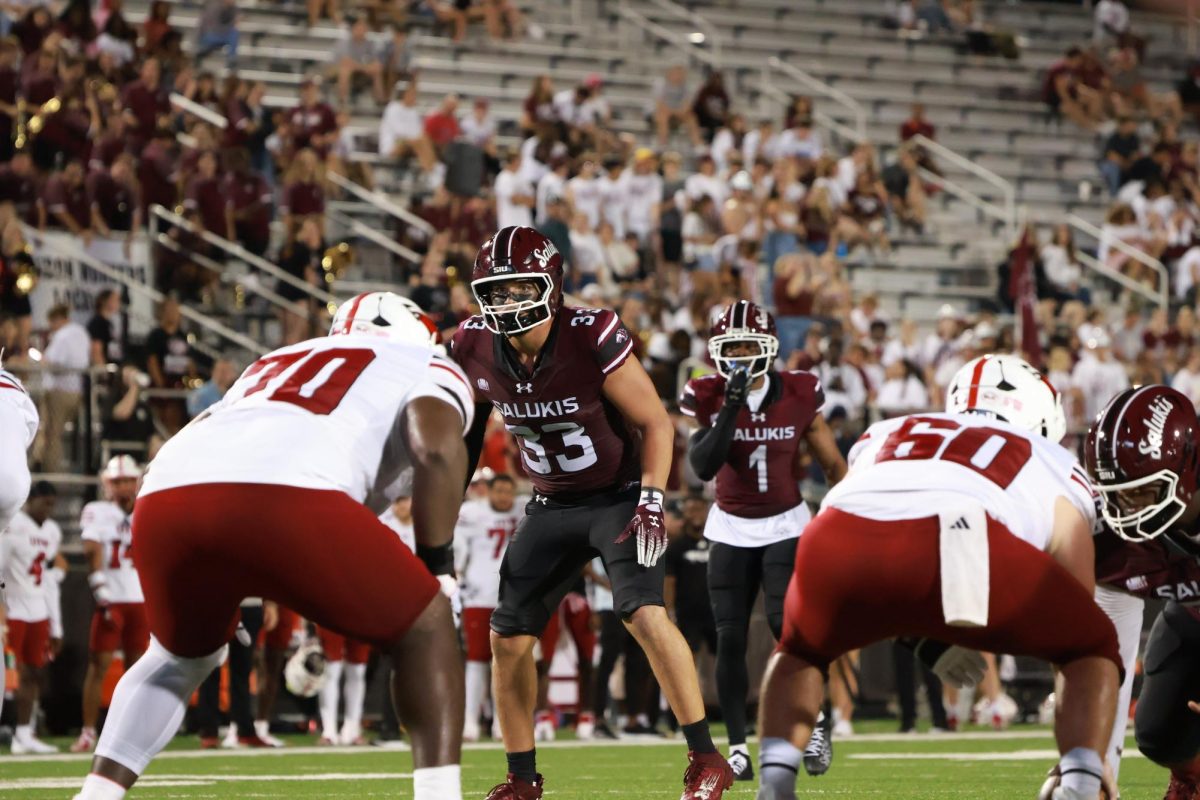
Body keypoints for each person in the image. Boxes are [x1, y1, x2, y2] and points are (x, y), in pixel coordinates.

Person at [73, 292, 472, 800]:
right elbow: (436, 448)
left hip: (166, 495)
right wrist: (438, 569)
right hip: (285, 494)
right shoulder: (427, 361)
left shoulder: (276, 360)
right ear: (420, 329)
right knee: (428, 625)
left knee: (176, 659)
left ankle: (96, 795)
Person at [754, 354, 1121, 800]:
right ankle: (1082, 786)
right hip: (961, 534)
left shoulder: (887, 430)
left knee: (800, 650)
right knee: (1091, 645)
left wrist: (919, 632)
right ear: (1041, 414)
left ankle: (774, 784)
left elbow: (881, 540)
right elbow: (1074, 600)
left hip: (832, 535)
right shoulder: (1053, 457)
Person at [451, 226, 733, 799]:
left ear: (550, 285)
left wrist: (652, 500)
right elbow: (469, 431)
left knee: (644, 613)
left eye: (518, 288)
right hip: (550, 502)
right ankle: (522, 779)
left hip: (617, 495)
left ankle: (707, 758)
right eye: (495, 291)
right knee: (507, 639)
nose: (505, 303)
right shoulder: (471, 343)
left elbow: (656, 423)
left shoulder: (590, 332)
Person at [680, 301, 847, 781]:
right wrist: (731, 403)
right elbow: (704, 466)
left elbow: (834, 466)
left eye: (747, 346)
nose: (738, 355)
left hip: (787, 523)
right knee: (729, 637)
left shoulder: (798, 392)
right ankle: (736, 746)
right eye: (729, 347)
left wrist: (842, 521)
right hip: (730, 525)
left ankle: (816, 720)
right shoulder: (707, 393)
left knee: (785, 625)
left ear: (768, 348)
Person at [1085, 385, 1200, 799]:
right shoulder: (1114, 539)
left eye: (1140, 492)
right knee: (1158, 731)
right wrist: (1095, 768)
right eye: (1115, 496)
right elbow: (1108, 663)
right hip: (1192, 615)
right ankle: (1193, 778)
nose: (1125, 512)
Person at [71, 455, 149, 755]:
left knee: (137, 669)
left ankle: (131, 733)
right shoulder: (96, 511)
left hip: (140, 599)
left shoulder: (145, 508)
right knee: (98, 665)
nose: (124, 487)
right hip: (112, 598)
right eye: (118, 482)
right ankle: (89, 732)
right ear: (107, 484)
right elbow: (92, 555)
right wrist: (102, 598)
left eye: (128, 480)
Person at [456, 473, 524, 742]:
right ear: (489, 492)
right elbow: (458, 551)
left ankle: (501, 721)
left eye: (509, 492)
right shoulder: (472, 513)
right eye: (499, 491)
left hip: (511, 596)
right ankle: (470, 721)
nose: (504, 497)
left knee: (506, 661)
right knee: (476, 659)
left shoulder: (524, 510)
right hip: (478, 594)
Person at [0, 481, 63, 753]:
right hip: (13, 608)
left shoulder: (51, 531)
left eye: (52, 504)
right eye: (45, 503)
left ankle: (23, 733)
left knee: (34, 673)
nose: (49, 509)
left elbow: (49, 579)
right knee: (13, 675)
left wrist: (56, 625)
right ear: (30, 500)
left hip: (37, 609)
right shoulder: (12, 526)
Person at [38, 304, 91, 472]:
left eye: (52, 323)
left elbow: (55, 363)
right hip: (78, 391)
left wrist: (42, 361)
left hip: (59, 391)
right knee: (55, 434)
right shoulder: (82, 333)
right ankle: (42, 465)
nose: (51, 327)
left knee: (52, 435)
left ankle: (49, 477)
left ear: (59, 319)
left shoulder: (62, 336)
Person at [315, 624, 372, 745]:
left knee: (358, 670)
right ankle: (329, 731)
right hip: (332, 611)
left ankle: (352, 730)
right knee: (330, 669)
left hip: (360, 613)